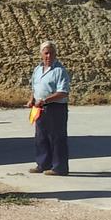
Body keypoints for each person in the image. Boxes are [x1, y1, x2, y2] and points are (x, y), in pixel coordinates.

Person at [28, 40, 71, 175]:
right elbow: (35, 87)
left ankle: (59, 168)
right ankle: (43, 164)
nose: (49, 56)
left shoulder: (59, 71)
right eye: (46, 53)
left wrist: (45, 100)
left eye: (51, 53)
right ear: (41, 54)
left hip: (55, 108)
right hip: (39, 108)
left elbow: (63, 92)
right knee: (41, 136)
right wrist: (31, 99)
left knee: (56, 138)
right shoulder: (37, 69)